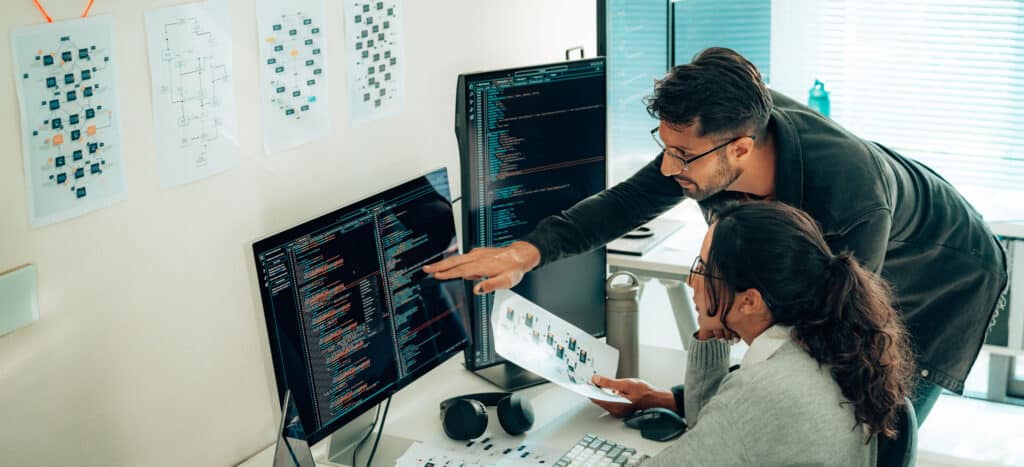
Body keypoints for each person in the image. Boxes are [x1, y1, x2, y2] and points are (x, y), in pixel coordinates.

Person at [424, 47, 1008, 424]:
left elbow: (820, 342)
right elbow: (628, 200)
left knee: (867, 415)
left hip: (945, 272)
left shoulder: (848, 201)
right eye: (664, 146)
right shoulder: (717, 134)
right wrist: (524, 253)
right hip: (877, 243)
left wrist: (681, 398)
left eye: (682, 155)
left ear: (741, 150)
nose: (670, 167)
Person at [590, 201, 915, 466]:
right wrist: (712, 327)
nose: (692, 282)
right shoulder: (826, 347)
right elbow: (711, 426)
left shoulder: (765, 390)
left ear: (750, 301)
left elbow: (727, 423)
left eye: (703, 270)